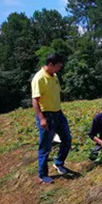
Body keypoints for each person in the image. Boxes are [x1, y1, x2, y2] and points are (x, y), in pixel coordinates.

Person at [31, 53, 72, 184]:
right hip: (46, 115)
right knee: (45, 146)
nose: (59, 68)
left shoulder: (54, 76)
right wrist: (42, 119)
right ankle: (43, 174)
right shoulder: (39, 78)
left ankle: (59, 163)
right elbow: (35, 101)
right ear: (50, 65)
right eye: (58, 66)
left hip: (58, 113)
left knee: (67, 139)